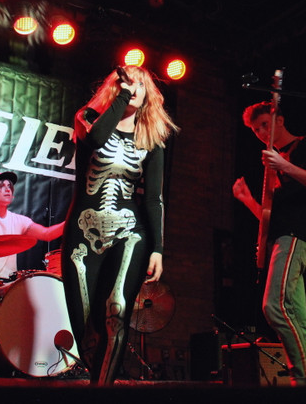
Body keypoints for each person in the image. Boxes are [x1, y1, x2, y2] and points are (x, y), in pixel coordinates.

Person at [61, 65, 178, 385]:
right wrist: (123, 94)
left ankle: (102, 390)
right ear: (117, 88)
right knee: (82, 322)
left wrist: (157, 249)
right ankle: (85, 379)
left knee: (117, 313)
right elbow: (97, 139)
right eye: (129, 84)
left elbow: (154, 199)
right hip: (83, 230)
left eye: (141, 85)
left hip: (129, 232)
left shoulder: (151, 140)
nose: (136, 89)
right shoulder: (86, 118)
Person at [232, 101, 306, 386]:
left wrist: (285, 165)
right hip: (281, 236)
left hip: (297, 236)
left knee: (274, 306)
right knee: (297, 316)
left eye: (265, 124)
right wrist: (247, 199)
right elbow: (271, 217)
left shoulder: (304, 145)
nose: (262, 132)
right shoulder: (273, 162)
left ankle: (305, 381)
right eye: (255, 129)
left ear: (280, 120)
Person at [0, 171, 65, 283]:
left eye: (9, 186)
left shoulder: (19, 220)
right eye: (1, 186)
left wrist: (72, 220)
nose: (8, 189)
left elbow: (46, 234)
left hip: (6, 280)